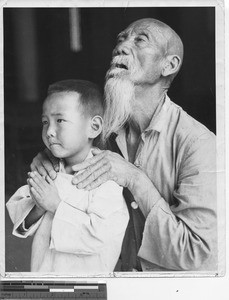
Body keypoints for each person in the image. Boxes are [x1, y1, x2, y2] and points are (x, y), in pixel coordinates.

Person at [30, 19, 217, 272]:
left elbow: (196, 254)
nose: (121, 47)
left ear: (169, 65)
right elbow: (62, 149)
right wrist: (49, 158)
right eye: (121, 39)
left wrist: (135, 178)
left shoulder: (200, 144)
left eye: (140, 40)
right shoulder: (97, 129)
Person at [6, 79, 129, 274]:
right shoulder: (49, 171)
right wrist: (38, 208)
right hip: (43, 280)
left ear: (94, 127)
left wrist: (56, 205)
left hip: (87, 287)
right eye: (45, 122)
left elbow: (101, 237)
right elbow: (19, 218)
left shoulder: (106, 180)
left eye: (60, 120)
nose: (50, 132)